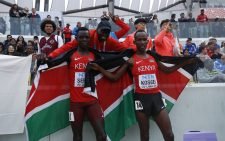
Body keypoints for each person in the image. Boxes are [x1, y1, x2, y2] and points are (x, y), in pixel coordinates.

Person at [90, 30, 195, 141]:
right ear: (135, 42)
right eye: (139, 40)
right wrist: (100, 68)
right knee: (144, 136)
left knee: (169, 135)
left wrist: (185, 63)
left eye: (144, 39)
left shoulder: (153, 58)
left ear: (148, 41)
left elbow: (167, 70)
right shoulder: (131, 61)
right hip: (140, 101)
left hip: (156, 99)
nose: (142, 42)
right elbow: (114, 77)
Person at [48, 27, 107, 141]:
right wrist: (45, 59)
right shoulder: (70, 55)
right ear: (76, 38)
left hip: (92, 102)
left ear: (89, 39)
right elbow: (53, 62)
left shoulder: (95, 55)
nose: (84, 39)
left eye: (86, 37)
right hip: (75, 104)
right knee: (77, 137)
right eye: (81, 37)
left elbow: (111, 61)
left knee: (102, 136)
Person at [48, 20, 128, 59]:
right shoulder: (86, 36)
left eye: (107, 32)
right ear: (97, 30)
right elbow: (66, 47)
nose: (104, 34)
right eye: (102, 31)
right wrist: (51, 56)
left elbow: (127, 50)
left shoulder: (110, 40)